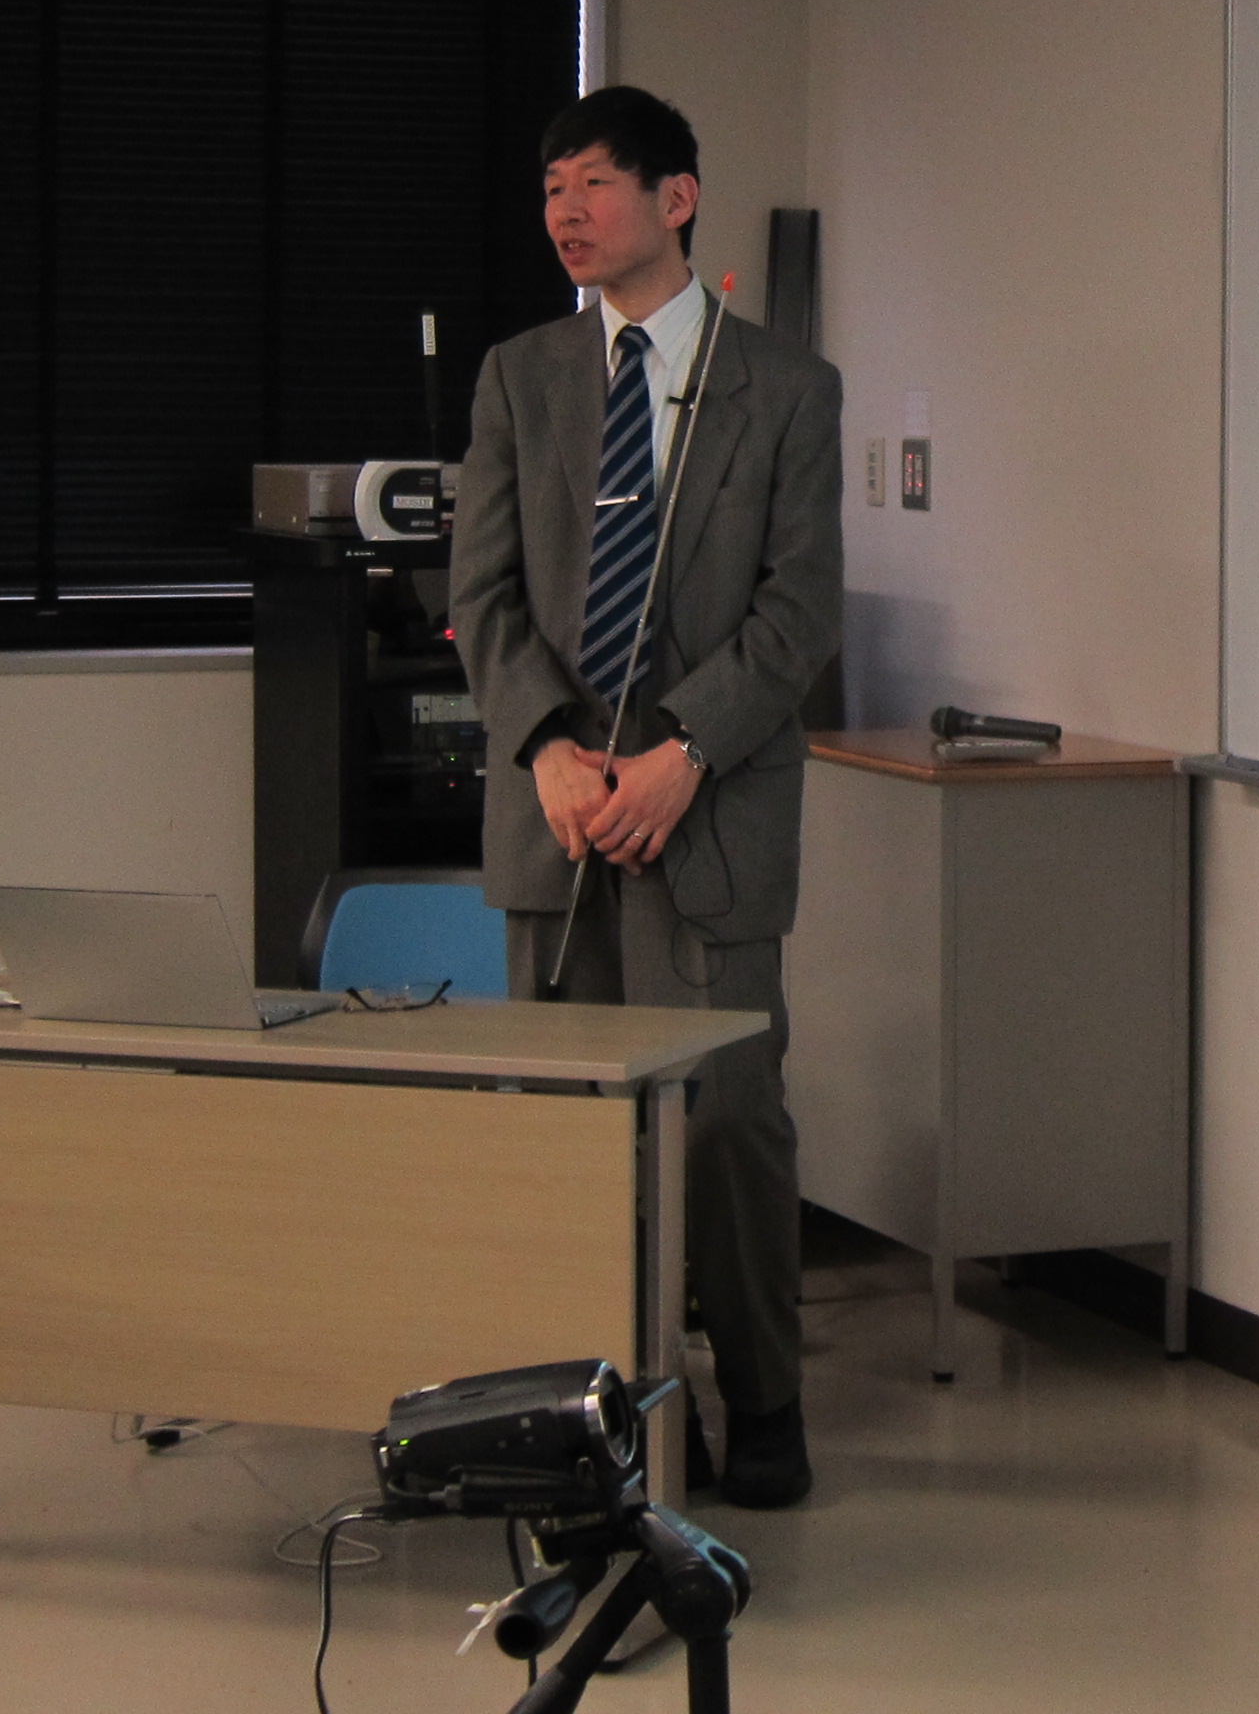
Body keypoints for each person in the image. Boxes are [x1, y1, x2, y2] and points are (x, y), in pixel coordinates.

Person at [450, 84, 843, 1509]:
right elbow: (482, 596)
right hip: (559, 819)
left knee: (729, 1121)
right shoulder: (521, 377)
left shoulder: (784, 388)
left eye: (595, 185)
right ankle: (594, 1420)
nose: (566, 212)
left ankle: (764, 1401)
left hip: (710, 811)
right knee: (570, 1132)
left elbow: (800, 612)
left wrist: (683, 754)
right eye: (551, 189)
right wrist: (550, 750)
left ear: (676, 199)